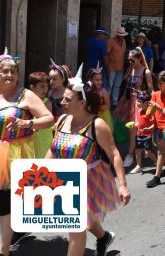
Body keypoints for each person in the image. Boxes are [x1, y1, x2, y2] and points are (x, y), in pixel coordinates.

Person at [46, 65, 130, 256]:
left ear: (82, 103)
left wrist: (123, 185)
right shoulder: (61, 120)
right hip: (62, 180)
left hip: (88, 181)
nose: (62, 102)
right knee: (84, 220)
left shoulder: (96, 125)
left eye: (68, 100)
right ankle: (104, 237)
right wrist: (39, 175)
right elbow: (53, 149)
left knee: (76, 228)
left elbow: (114, 154)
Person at [0, 50, 54, 256]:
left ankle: (5, 246)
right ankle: (9, 240)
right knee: (3, 198)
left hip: (17, 152)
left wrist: (27, 122)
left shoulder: (26, 95)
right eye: (4, 71)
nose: (9, 74)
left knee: (14, 198)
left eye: (13, 71)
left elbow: (49, 118)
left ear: (18, 75)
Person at [113, 48, 153, 168]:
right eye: (129, 60)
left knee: (133, 130)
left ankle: (130, 156)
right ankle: (138, 151)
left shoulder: (145, 72)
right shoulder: (130, 69)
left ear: (139, 59)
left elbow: (150, 90)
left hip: (139, 104)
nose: (130, 62)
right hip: (128, 102)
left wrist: (149, 106)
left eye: (132, 60)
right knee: (129, 128)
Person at [145, 71, 165, 188]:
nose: (158, 86)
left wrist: (158, 108)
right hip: (156, 124)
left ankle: (157, 177)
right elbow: (151, 111)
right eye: (157, 83)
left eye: (161, 83)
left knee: (160, 149)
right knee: (160, 148)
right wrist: (148, 108)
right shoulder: (155, 94)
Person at [26, 71, 54, 158]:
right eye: (42, 86)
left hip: (44, 139)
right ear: (32, 87)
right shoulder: (26, 102)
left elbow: (43, 123)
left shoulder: (47, 103)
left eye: (46, 86)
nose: (45, 89)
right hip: (31, 139)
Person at [130, 91, 157, 174]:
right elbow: (138, 122)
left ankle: (157, 162)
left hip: (147, 135)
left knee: (148, 153)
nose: (137, 103)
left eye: (139, 101)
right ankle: (138, 166)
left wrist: (147, 129)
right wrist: (134, 125)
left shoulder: (150, 113)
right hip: (139, 134)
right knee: (137, 150)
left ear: (145, 103)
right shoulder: (140, 111)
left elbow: (154, 125)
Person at [106, 27, 128, 107]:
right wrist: (107, 67)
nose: (121, 37)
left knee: (117, 85)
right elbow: (107, 54)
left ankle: (114, 102)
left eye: (122, 35)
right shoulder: (111, 41)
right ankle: (107, 102)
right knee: (109, 86)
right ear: (117, 35)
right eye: (120, 35)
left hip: (121, 67)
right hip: (111, 67)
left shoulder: (124, 42)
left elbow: (124, 53)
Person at [87, 64, 112, 131]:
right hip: (91, 114)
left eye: (101, 79)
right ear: (90, 80)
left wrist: (98, 108)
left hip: (102, 114)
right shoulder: (88, 91)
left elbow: (108, 105)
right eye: (97, 80)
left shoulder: (103, 91)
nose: (99, 82)